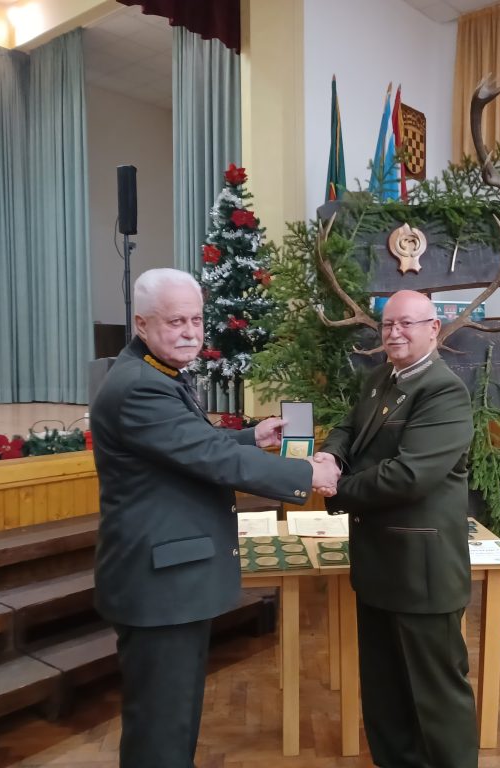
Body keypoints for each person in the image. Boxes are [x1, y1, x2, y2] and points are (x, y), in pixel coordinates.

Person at [90, 268, 340, 768]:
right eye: (175, 321)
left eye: (197, 319)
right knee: (162, 730)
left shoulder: (154, 372)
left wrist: (251, 437)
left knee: (174, 719)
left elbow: (187, 444)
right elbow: (210, 458)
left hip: (170, 580)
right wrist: (305, 473)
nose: (190, 332)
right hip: (161, 585)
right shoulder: (140, 387)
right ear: (142, 324)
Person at [315, 289, 478, 768]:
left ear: (434, 329)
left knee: (436, 699)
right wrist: (330, 456)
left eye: (407, 323)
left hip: (420, 574)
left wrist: (334, 489)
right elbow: (349, 429)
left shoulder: (443, 391)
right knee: (385, 695)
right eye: (388, 324)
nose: (395, 332)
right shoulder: (380, 378)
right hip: (379, 568)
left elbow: (409, 476)